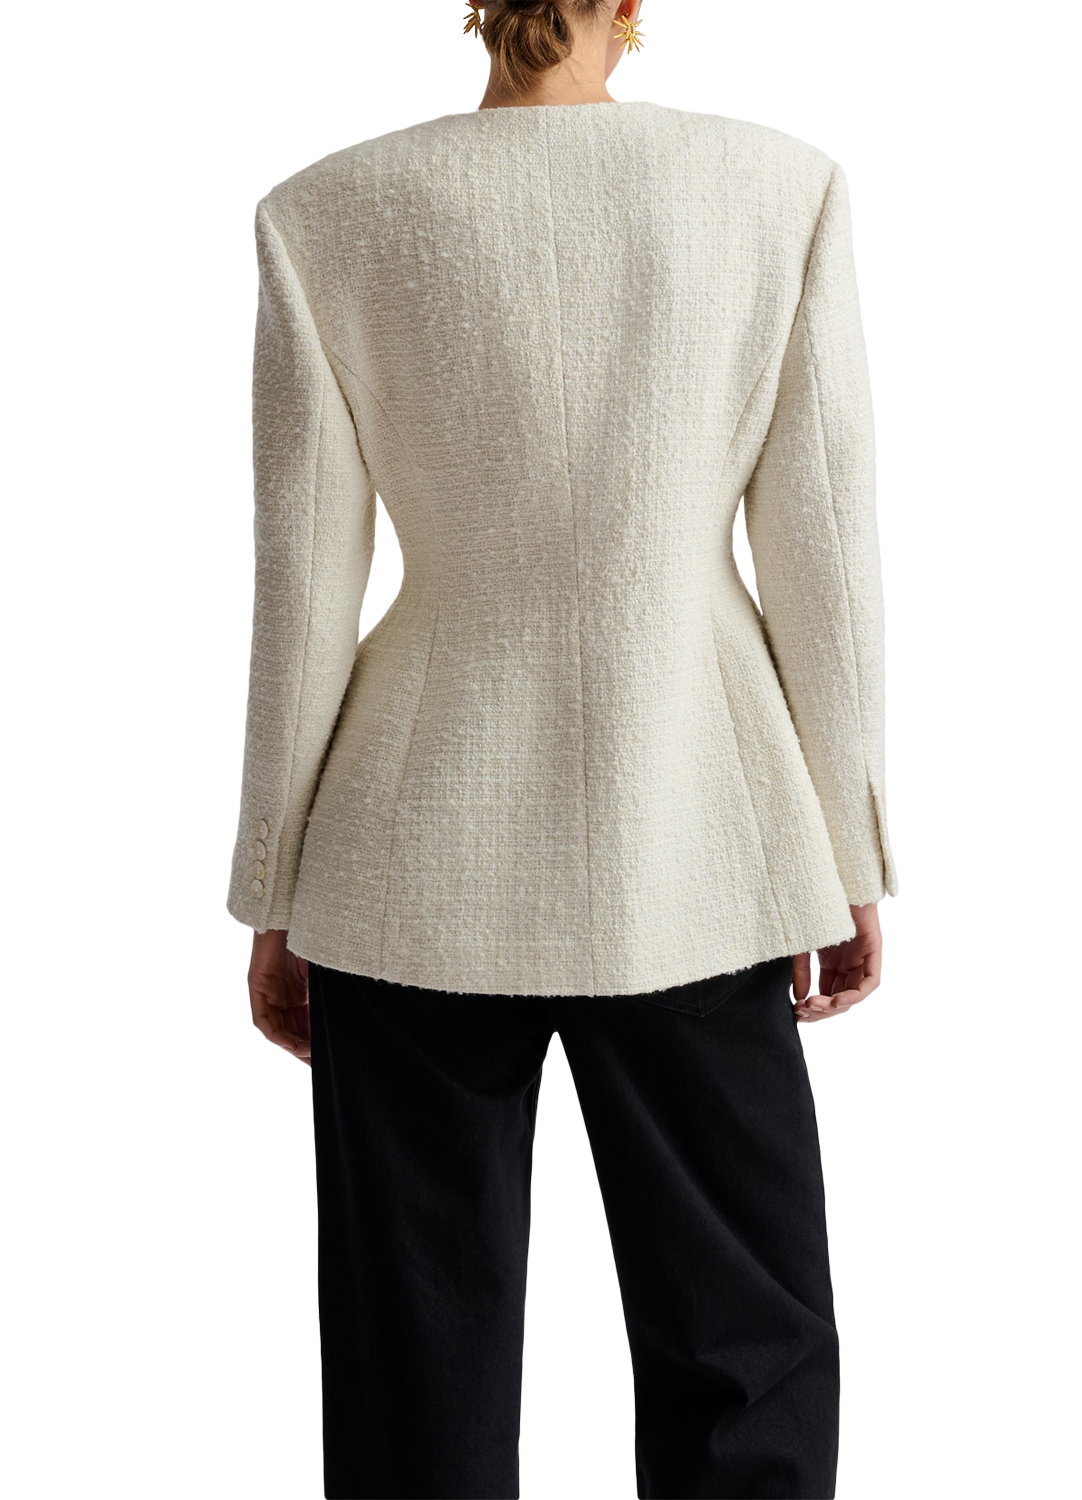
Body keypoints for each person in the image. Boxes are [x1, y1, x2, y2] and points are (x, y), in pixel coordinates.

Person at [226, 2, 898, 1495]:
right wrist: (849, 852)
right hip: (703, 835)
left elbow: (302, 590)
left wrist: (274, 887)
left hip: (407, 856)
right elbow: (825, 559)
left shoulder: (327, 213)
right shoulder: (776, 189)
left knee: (416, 1374)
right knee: (748, 1347)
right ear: (633, 8)